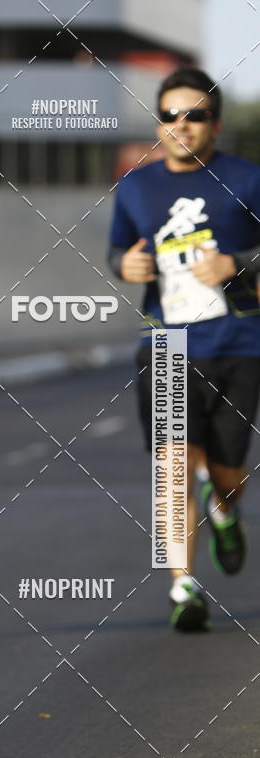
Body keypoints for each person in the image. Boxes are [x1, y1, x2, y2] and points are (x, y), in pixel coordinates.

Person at [108, 67, 260, 632]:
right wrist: (124, 264)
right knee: (173, 466)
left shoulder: (247, 180)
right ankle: (183, 585)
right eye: (170, 115)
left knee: (226, 472)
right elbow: (118, 251)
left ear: (214, 125)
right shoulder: (136, 187)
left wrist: (237, 263)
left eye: (195, 115)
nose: (181, 124)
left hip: (238, 342)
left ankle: (225, 508)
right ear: (158, 123)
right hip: (167, 343)